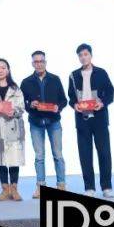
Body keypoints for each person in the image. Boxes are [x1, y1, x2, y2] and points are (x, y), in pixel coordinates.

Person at [66, 44, 114, 197]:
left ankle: (107, 187)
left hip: (100, 118)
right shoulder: (73, 75)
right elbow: (71, 97)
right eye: (80, 55)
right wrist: (74, 104)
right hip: (82, 119)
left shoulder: (101, 72)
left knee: (104, 153)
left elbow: (111, 92)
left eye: (86, 54)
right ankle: (89, 187)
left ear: (91, 55)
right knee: (85, 154)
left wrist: (103, 102)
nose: (83, 57)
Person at [19, 50, 68, 198]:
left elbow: (63, 100)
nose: (39, 64)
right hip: (36, 122)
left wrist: (58, 107)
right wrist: (30, 104)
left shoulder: (55, 79)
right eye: (36, 62)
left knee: (58, 154)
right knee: (39, 156)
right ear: (32, 63)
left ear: (45, 62)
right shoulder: (26, 82)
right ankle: (41, 187)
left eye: (41, 61)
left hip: (54, 121)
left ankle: (61, 185)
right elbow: (22, 103)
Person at [0, 58, 26, 202]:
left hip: (12, 127)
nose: (0, 70)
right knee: (0, 158)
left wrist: (13, 111)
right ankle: (4, 189)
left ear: (8, 70)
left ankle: (14, 189)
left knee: (14, 158)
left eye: (3, 67)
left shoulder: (15, 89)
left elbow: (21, 108)